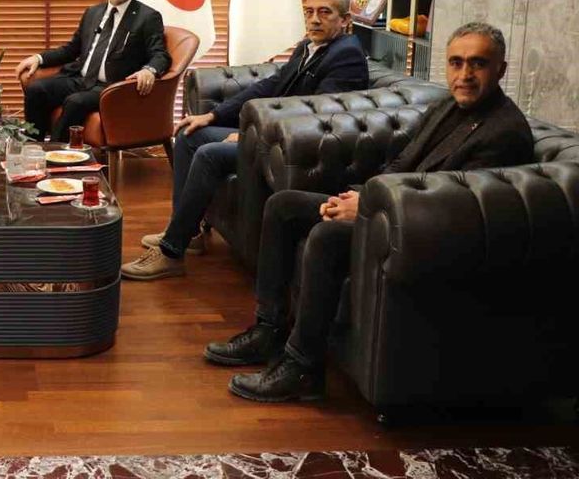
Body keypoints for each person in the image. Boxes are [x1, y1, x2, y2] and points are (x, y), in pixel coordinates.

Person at [209, 22, 533, 402]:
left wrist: (368, 210)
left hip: (423, 232)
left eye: (478, 64)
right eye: (456, 62)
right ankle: (269, 330)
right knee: (283, 206)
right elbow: (402, 163)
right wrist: (362, 196)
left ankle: (303, 367)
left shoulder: (504, 132)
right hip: (390, 207)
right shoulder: (446, 105)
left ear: (501, 69)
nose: (465, 75)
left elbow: (454, 208)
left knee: (327, 235)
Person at [121, 0, 369, 281]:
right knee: (189, 134)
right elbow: (270, 86)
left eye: (325, 12)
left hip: (297, 151)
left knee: (209, 154)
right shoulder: (309, 46)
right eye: (309, 11)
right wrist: (212, 115)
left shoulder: (346, 56)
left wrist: (255, 135)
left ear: (345, 20)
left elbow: (316, 118)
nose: (314, 19)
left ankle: (171, 252)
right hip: (276, 137)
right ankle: (188, 231)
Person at [15, 0, 171, 142]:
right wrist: (39, 58)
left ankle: (55, 151)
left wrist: (149, 70)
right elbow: (71, 49)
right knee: (36, 89)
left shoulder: (148, 17)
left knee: (75, 102)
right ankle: (33, 145)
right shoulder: (93, 12)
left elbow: (160, 54)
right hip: (82, 79)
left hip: (112, 87)